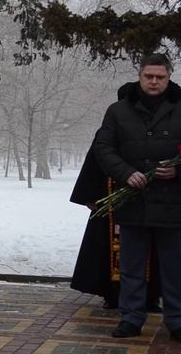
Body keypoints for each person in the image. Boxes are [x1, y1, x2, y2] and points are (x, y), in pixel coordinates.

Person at [94, 53, 181, 340]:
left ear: (169, 77)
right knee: (131, 265)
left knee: (175, 266)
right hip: (134, 199)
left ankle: (177, 321)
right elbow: (104, 148)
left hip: (174, 203)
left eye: (160, 77)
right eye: (149, 76)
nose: (154, 81)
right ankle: (131, 319)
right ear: (139, 74)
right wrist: (126, 173)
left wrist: (178, 172)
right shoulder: (118, 110)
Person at [70, 86, 161, 311]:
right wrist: (90, 197)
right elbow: (95, 161)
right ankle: (112, 295)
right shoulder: (108, 130)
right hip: (111, 200)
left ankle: (149, 296)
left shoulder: (155, 128)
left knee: (150, 249)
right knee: (110, 250)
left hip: (150, 199)